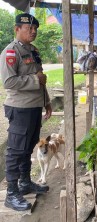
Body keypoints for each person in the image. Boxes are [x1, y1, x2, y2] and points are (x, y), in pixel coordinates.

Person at [0, 13, 52, 211]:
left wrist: (46, 102)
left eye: (35, 29)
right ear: (17, 29)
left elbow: (42, 79)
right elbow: (9, 82)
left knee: (29, 146)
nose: (33, 31)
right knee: (16, 150)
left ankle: (24, 183)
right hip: (19, 108)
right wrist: (35, 80)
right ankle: (12, 193)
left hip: (33, 108)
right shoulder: (11, 52)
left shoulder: (32, 51)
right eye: (29, 28)